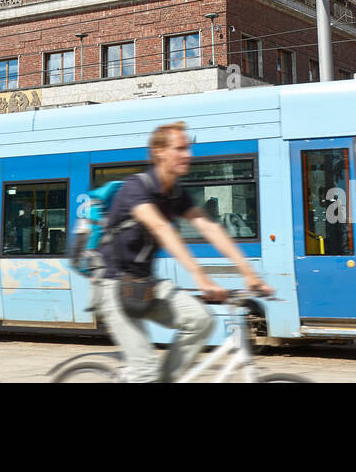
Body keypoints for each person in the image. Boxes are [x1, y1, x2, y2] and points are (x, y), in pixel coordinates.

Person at [96, 122, 274, 383]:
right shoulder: (136, 188)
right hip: (113, 285)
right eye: (180, 149)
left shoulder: (175, 193)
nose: (188, 155)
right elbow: (160, 228)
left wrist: (250, 274)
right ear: (159, 152)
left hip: (144, 284)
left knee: (201, 320)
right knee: (145, 371)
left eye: (188, 148)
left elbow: (210, 228)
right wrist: (200, 277)